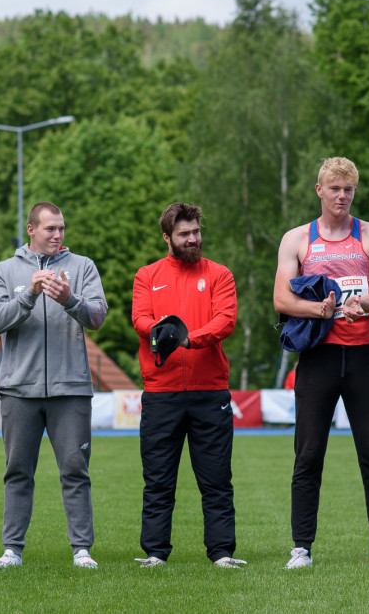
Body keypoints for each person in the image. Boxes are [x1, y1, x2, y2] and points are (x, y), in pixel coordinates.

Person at [273, 157, 369, 571]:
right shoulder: (297, 239)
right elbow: (281, 300)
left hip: (364, 355)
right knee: (308, 454)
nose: (342, 196)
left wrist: (358, 303)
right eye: (334, 188)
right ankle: (301, 548)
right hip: (317, 358)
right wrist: (322, 310)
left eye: (348, 189)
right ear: (319, 190)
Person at [0, 202, 108, 569]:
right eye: (50, 229)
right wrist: (28, 296)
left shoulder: (82, 266)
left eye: (62, 228)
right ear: (31, 229)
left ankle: (82, 550)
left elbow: (98, 315)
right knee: (18, 470)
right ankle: (12, 550)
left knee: (74, 469)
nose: (57, 235)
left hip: (71, 389)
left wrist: (68, 299)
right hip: (18, 388)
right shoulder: (4, 271)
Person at [131, 202, 243, 569]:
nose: (193, 238)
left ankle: (222, 552)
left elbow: (225, 320)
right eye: (184, 234)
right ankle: (155, 553)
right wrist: (162, 331)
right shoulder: (147, 275)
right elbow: (141, 318)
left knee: (216, 479)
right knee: (158, 481)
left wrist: (186, 339)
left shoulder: (220, 274)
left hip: (210, 392)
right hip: (161, 393)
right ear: (167, 237)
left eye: (196, 231)